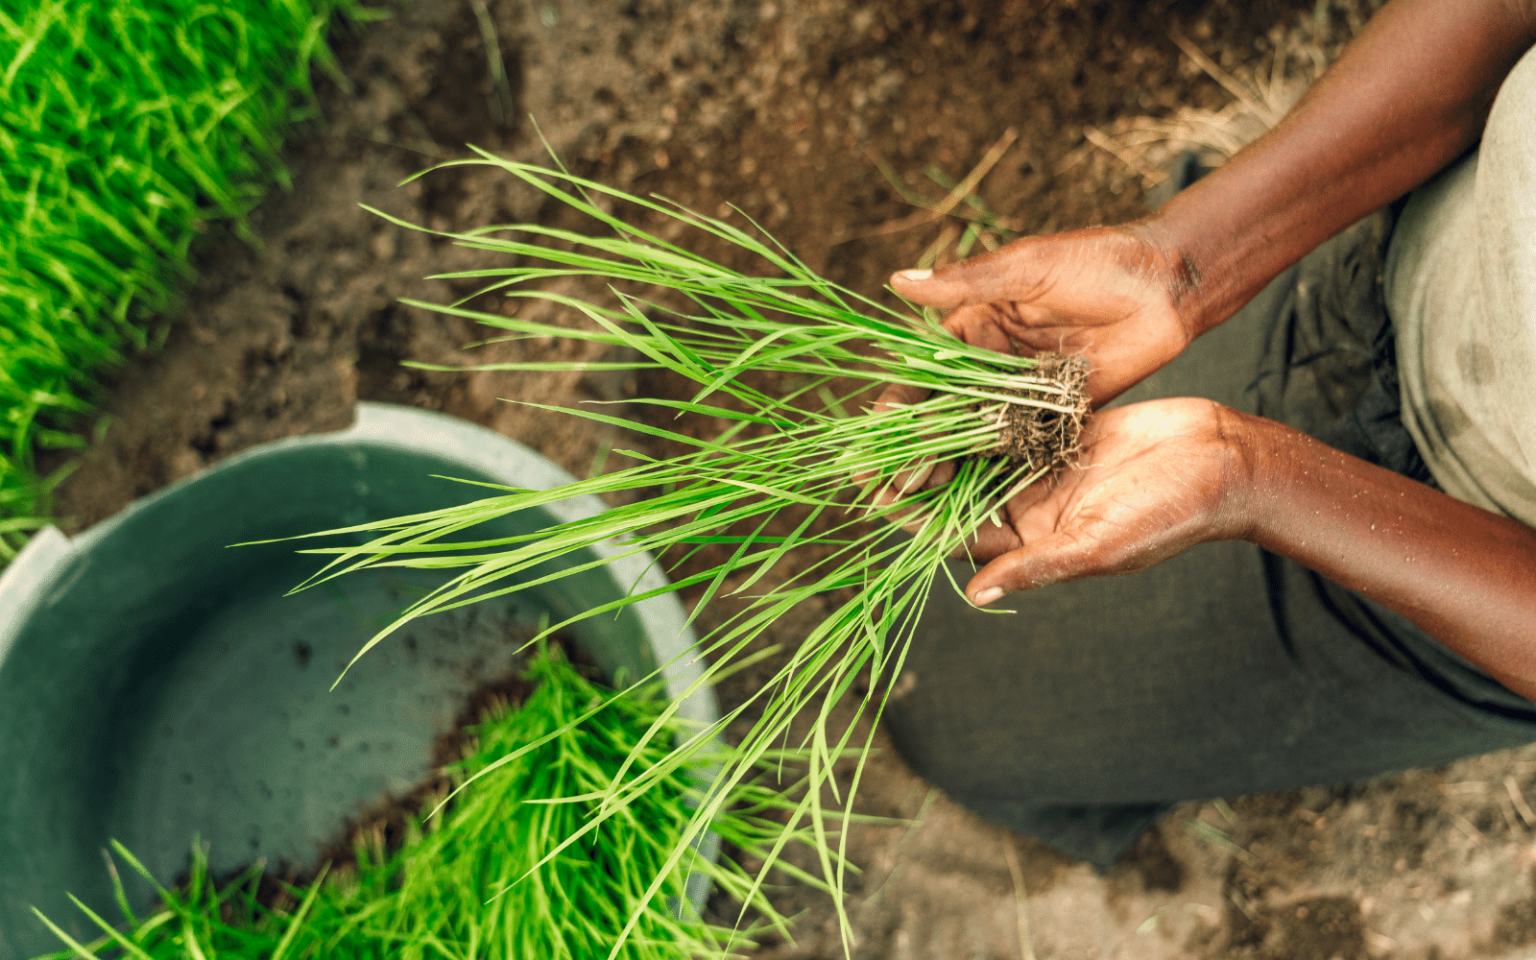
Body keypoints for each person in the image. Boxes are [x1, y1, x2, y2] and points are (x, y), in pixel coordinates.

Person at [874, 0, 1536, 868]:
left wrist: (1250, 477)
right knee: (916, 572)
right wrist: (1186, 262)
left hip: (1454, 552)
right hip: (1399, 243)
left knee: (951, 716)